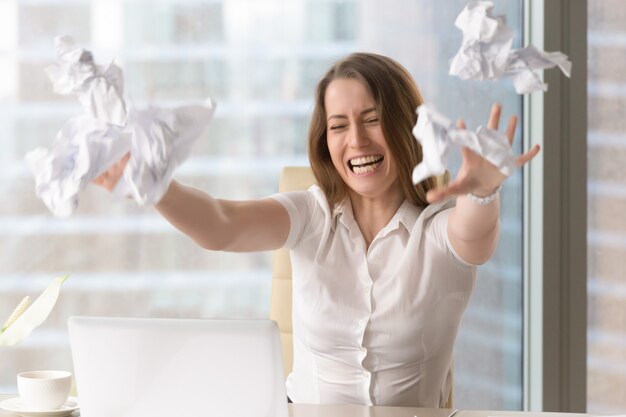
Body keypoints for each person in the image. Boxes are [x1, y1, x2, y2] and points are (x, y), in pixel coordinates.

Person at [95, 52, 539, 407]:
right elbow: (221, 225)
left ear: (407, 125)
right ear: (324, 141)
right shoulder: (311, 214)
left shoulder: (439, 229)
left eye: (371, 119)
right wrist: (152, 185)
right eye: (338, 126)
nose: (357, 141)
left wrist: (481, 192)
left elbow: (475, 236)